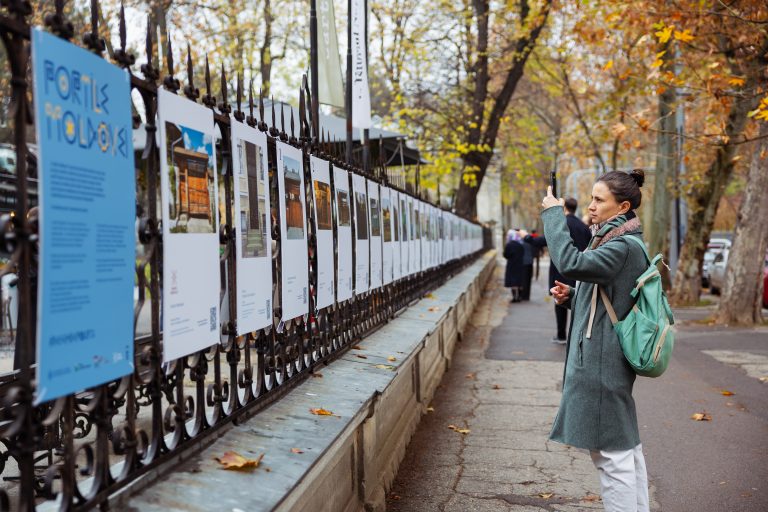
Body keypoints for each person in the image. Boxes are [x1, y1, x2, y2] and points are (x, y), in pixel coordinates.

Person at [543, 169, 650, 512]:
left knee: (612, 458)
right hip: (603, 360)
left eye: (598, 199)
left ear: (622, 207)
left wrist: (553, 216)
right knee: (624, 451)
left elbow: (569, 261)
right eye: (590, 198)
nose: (590, 205)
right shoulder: (613, 239)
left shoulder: (621, 245)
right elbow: (611, 298)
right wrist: (573, 296)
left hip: (602, 365)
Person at [524, 198, 590, 343]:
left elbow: (544, 241)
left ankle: (561, 335)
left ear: (564, 207)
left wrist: (526, 237)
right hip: (580, 271)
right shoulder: (583, 226)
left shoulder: (561, 224)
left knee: (560, 302)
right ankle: (577, 336)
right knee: (578, 302)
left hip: (560, 271)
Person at [503, 229, 524, 303]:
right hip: (520, 264)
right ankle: (520, 296)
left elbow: (505, 255)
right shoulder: (520, 244)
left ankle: (515, 297)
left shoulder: (509, 245)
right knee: (519, 281)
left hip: (512, 265)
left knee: (513, 282)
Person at [520, 234, 534, 301]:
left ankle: (523, 296)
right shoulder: (531, 244)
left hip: (524, 263)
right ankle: (527, 296)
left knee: (524, 280)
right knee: (528, 280)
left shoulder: (521, 244)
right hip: (530, 263)